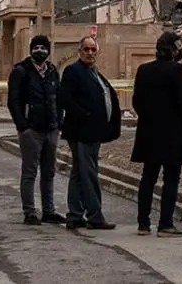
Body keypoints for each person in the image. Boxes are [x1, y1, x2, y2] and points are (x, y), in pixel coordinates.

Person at [131, 32, 182, 236]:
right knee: (171, 178)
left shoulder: (143, 70)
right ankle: (165, 223)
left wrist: (148, 118)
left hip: (149, 132)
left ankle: (143, 223)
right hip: (172, 132)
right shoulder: (177, 70)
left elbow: (136, 101)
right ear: (173, 50)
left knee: (148, 177)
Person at [59, 36, 122, 230]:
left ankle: (75, 215)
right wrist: (85, 116)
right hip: (82, 132)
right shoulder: (73, 71)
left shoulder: (94, 73)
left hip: (93, 132)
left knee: (79, 172)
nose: (90, 53)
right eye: (86, 49)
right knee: (88, 173)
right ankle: (94, 215)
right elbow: (65, 99)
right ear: (80, 51)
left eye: (93, 50)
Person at [7, 34, 64, 225]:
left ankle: (49, 211)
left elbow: (59, 98)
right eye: (36, 47)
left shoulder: (52, 71)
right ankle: (30, 213)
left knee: (49, 172)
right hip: (32, 130)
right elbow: (13, 101)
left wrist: (59, 121)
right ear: (31, 50)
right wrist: (23, 126)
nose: (40, 51)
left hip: (51, 129)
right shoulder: (21, 71)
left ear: (48, 51)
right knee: (30, 172)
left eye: (43, 48)